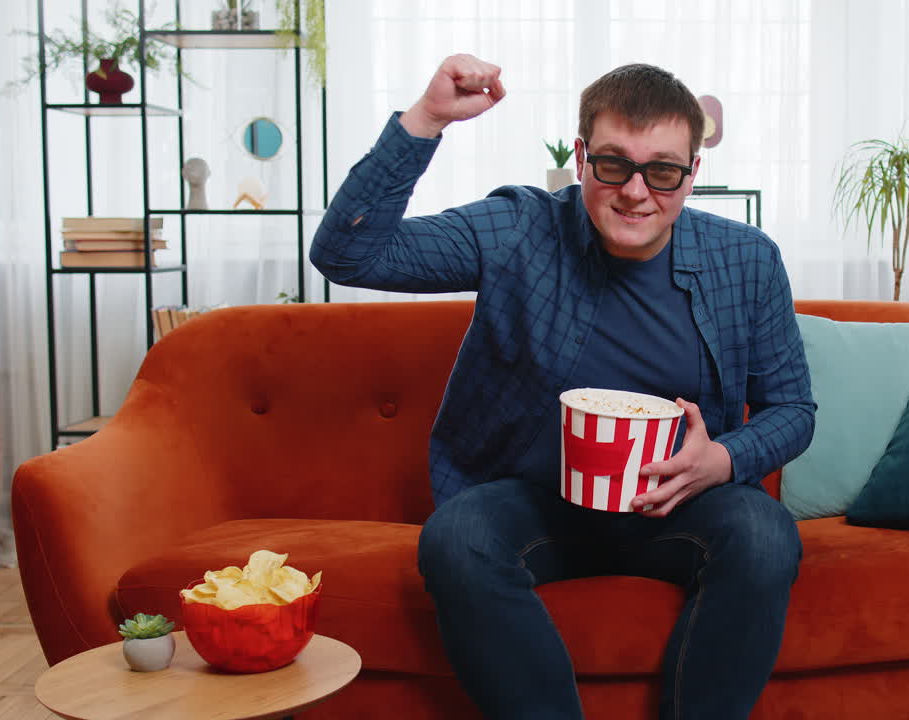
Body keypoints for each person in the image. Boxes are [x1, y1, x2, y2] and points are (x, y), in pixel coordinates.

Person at [311, 53, 816, 720]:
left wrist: (722, 459)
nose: (636, 191)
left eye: (662, 171)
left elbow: (794, 409)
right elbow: (346, 253)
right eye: (614, 164)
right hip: (535, 504)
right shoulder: (520, 229)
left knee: (766, 533)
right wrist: (427, 118)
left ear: (692, 175)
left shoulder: (746, 259)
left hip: (677, 508)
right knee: (455, 539)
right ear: (581, 158)